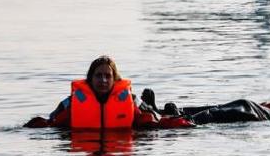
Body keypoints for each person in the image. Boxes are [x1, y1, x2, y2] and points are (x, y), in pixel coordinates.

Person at [24, 55, 191, 129]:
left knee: (158, 114)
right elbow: (50, 121)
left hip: (126, 134)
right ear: (90, 79)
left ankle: (160, 106)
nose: (103, 80)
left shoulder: (130, 100)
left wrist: (184, 125)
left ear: (114, 79)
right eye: (98, 76)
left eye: (107, 76)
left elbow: (157, 120)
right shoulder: (73, 101)